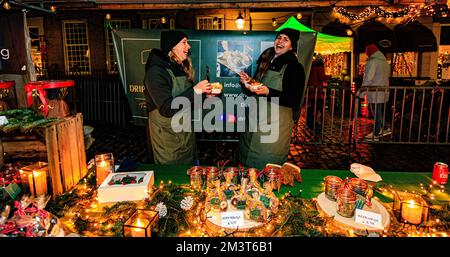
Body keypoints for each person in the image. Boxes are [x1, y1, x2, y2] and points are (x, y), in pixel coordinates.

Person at [238, 28, 306, 169]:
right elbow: (254, 91)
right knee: (247, 163)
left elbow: (293, 99)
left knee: (268, 167)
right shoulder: (266, 61)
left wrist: (268, 91)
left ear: (292, 46)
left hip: (275, 126)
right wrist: (248, 82)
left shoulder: (295, 68)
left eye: (285, 39)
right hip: (255, 120)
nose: (280, 41)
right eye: (279, 37)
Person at [143, 30, 211, 164]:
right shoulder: (156, 72)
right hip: (166, 138)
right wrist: (195, 91)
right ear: (172, 46)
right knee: (171, 178)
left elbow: (185, 101)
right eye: (184, 42)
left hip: (185, 134)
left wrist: (204, 97)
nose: (189, 46)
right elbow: (167, 108)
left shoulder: (179, 68)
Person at [360, 44, 391, 141]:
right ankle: (385, 128)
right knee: (378, 112)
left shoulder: (373, 62)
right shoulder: (385, 62)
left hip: (374, 91)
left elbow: (369, 78)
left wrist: (362, 92)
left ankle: (377, 133)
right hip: (382, 91)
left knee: (376, 112)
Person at [306, 53, 329, 133]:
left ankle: (311, 123)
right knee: (317, 107)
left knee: (313, 106)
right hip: (317, 90)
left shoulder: (312, 65)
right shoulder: (320, 65)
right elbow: (321, 76)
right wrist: (329, 76)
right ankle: (313, 124)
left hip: (311, 90)